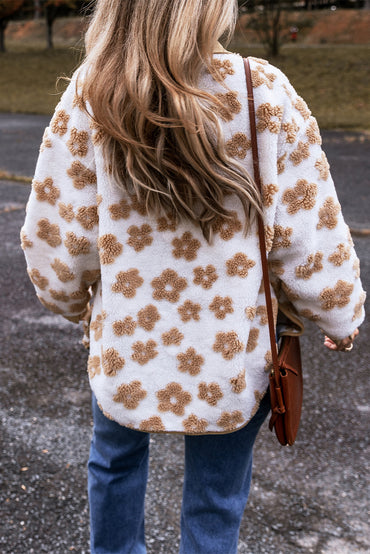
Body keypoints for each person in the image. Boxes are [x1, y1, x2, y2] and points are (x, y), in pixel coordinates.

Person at [21, 0, 365, 552]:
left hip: (127, 344)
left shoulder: (94, 93)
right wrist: (340, 313)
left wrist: (67, 299)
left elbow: (59, 230)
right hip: (233, 352)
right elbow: (307, 227)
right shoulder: (262, 92)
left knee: (113, 464)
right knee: (216, 498)